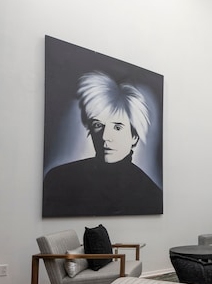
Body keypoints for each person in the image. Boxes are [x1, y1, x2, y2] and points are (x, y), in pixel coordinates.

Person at [43, 71, 162, 217]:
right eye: (98, 125)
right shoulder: (59, 179)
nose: (105, 137)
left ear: (134, 137)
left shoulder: (151, 194)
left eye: (117, 127)